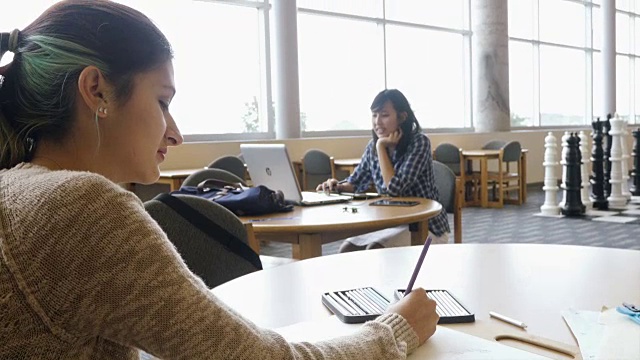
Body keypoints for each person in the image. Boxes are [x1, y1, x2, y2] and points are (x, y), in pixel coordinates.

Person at [0, 1, 439, 358]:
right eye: (163, 101)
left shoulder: (18, 191)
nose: (175, 132)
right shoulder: (80, 208)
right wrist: (395, 329)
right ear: (96, 90)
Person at [317, 89, 451, 252]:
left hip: (426, 227)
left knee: (376, 250)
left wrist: (381, 147)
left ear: (402, 117)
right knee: (347, 249)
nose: (377, 122)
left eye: (384, 115)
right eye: (374, 115)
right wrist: (337, 186)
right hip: (392, 223)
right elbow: (355, 182)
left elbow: (395, 189)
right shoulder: (371, 147)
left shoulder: (419, 143)